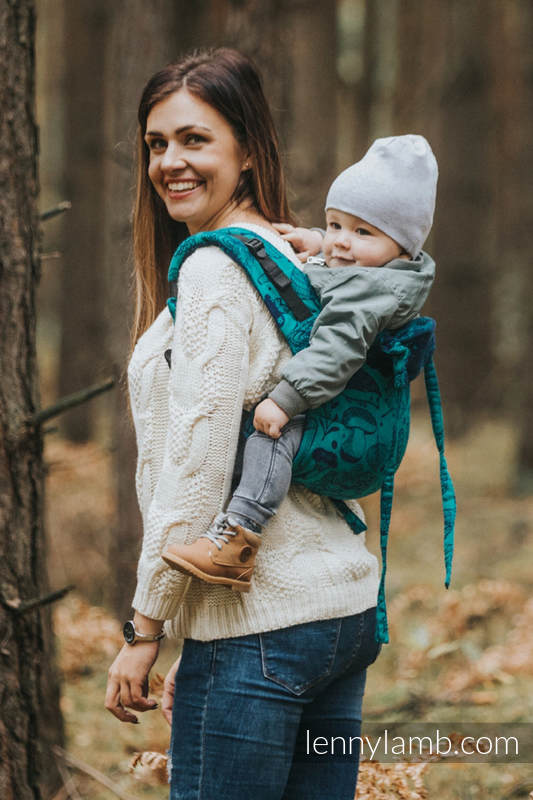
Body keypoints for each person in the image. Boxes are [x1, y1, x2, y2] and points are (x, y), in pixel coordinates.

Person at [105, 47, 381, 800]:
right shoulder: (297, 253)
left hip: (256, 622)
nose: (169, 161)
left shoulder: (213, 271)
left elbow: (193, 469)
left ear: (249, 152)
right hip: (340, 614)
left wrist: (145, 632)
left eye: (195, 140)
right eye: (156, 144)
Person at [162, 134, 437, 593]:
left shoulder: (363, 295)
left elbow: (336, 350)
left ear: (403, 248)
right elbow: (345, 259)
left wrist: (286, 400)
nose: (342, 244)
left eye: (363, 233)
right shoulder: (379, 272)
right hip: (346, 408)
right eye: (335, 225)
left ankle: (238, 540)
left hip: (337, 411)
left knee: (272, 435)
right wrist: (317, 241)